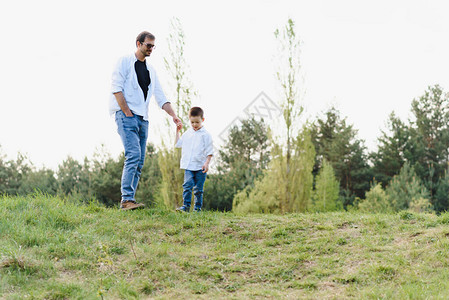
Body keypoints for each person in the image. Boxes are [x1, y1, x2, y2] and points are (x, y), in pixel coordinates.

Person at [110, 31, 182, 210]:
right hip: (127, 116)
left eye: (153, 46)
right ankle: (126, 199)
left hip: (143, 119)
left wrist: (173, 115)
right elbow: (116, 88)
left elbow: (160, 96)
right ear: (138, 44)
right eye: (148, 45)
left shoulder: (151, 70)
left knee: (140, 161)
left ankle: (130, 200)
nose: (151, 49)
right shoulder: (125, 62)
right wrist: (126, 112)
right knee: (133, 155)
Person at [175, 107, 213, 212]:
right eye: (192, 122)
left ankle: (197, 208)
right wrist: (177, 131)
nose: (194, 125)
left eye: (197, 122)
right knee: (187, 185)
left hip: (201, 166)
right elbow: (178, 144)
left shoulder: (206, 135)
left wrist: (207, 163)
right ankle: (186, 206)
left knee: (198, 189)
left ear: (203, 120)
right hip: (188, 166)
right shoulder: (187, 133)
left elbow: (210, 152)